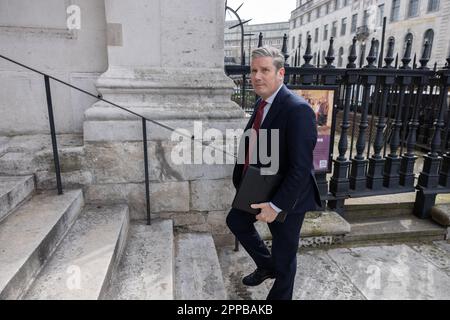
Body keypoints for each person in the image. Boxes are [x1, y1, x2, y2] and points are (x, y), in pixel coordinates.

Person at [226, 46, 322, 300]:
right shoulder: (262, 102)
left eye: (264, 70)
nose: (257, 76)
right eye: (254, 71)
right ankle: (267, 266)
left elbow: (301, 168)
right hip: (261, 184)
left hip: (289, 196)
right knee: (236, 221)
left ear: (281, 73)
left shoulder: (297, 109)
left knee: (285, 256)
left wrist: (276, 206)